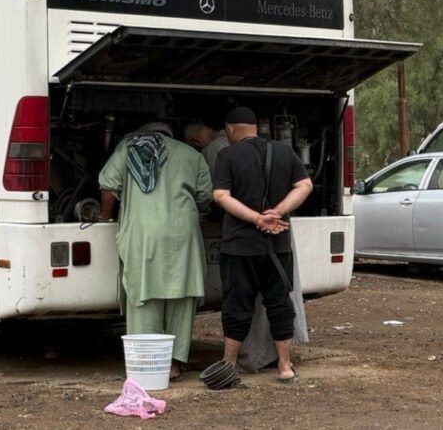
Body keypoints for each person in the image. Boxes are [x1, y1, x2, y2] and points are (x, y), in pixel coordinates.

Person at [98, 122, 213, 381]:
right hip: (183, 233)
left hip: (142, 234)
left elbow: (107, 185)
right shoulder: (191, 154)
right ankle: (173, 363)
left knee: (144, 295)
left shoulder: (129, 149)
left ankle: (148, 363)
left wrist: (104, 216)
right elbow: (205, 196)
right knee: (181, 297)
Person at [212, 107, 313, 382]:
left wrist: (257, 218)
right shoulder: (283, 151)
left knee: (236, 304)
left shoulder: (227, 155)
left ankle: (229, 364)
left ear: (230, 129)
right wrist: (277, 212)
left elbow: (221, 196)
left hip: (239, 246)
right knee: (279, 302)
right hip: (277, 244)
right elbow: (305, 185)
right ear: (255, 128)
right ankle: (284, 366)